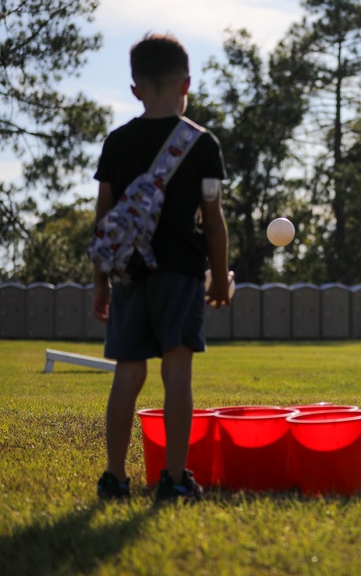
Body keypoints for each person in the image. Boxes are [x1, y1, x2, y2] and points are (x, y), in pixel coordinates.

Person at [92, 33, 230, 502]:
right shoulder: (201, 144)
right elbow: (213, 222)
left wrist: (101, 285)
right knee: (177, 375)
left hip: (128, 273)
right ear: (186, 83)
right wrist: (220, 278)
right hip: (180, 273)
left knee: (127, 375)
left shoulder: (117, 143)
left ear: (135, 89)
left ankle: (115, 478)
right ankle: (173, 479)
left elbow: (104, 221)